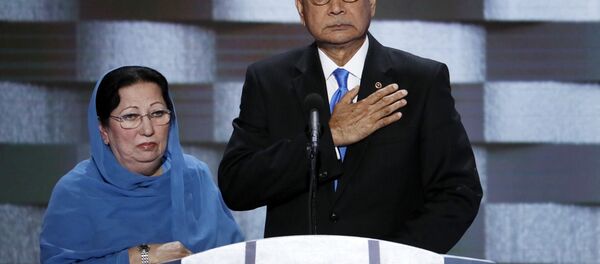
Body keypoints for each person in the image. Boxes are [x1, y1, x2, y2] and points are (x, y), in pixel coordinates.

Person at [218, 0, 482, 253]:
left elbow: (458, 192)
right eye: (321, 0)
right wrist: (329, 138)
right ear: (301, 8)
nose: (336, 8)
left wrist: (394, 256)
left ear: (372, 3)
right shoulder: (268, 81)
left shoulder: (420, 81)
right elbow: (237, 186)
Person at [40, 66, 243, 263]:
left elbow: (235, 254)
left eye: (157, 114)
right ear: (103, 130)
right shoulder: (76, 191)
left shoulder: (193, 175)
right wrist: (138, 257)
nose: (147, 129)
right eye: (130, 116)